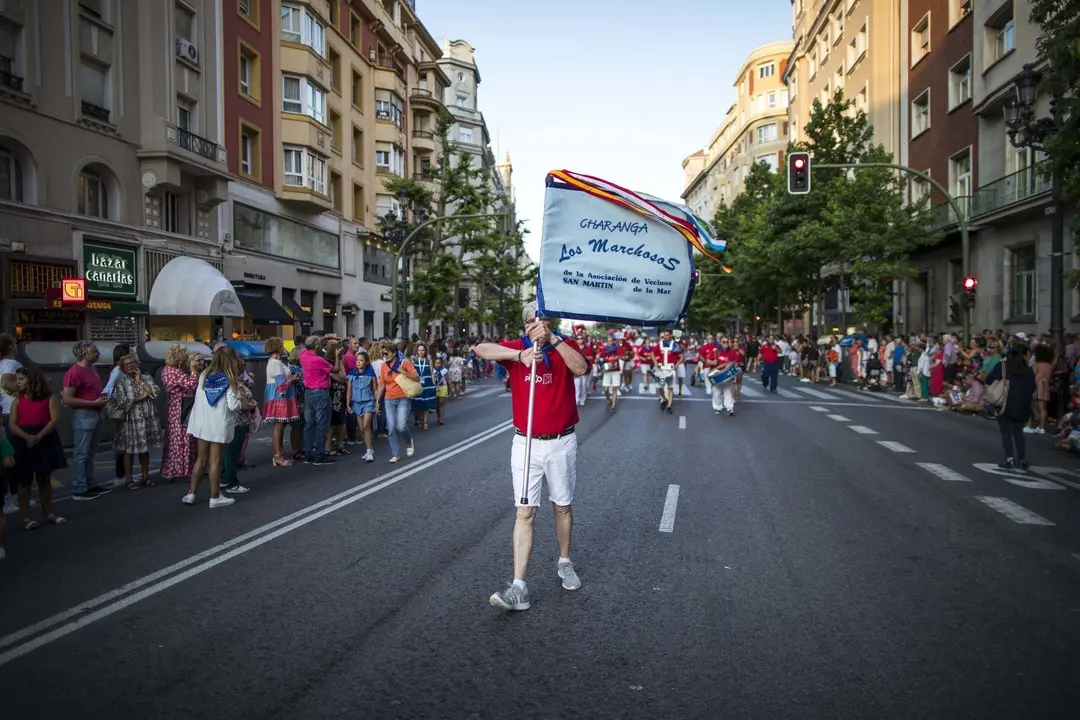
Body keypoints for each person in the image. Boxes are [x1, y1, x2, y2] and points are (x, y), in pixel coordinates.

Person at [474, 302, 588, 612]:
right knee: (524, 512)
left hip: (562, 440)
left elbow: (581, 368)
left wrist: (554, 340)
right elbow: (481, 349)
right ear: (524, 325)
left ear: (551, 323)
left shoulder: (564, 346)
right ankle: (519, 587)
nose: (536, 326)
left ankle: (564, 561)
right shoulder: (517, 349)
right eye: (531, 321)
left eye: (543, 321)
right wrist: (518, 356)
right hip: (526, 444)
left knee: (562, 505)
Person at [184, 345, 244, 508]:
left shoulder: (204, 375)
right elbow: (233, 406)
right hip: (219, 424)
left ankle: (191, 493)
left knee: (201, 459)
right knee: (215, 461)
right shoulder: (230, 379)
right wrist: (241, 400)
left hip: (202, 423)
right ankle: (215, 497)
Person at [9, 366, 67, 530]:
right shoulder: (17, 401)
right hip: (23, 440)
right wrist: (27, 437)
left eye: (21, 379)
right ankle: (25, 517)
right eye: (17, 379)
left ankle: (48, 512)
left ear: (32, 380)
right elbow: (13, 424)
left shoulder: (49, 398)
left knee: (44, 478)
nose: (17, 382)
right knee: (24, 480)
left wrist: (39, 436)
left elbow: (54, 419)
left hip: (44, 438)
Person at [60, 341, 112, 500]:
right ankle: (80, 488)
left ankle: (90, 483)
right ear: (84, 353)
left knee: (90, 452)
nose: (98, 354)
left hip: (96, 412)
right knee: (82, 453)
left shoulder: (93, 369)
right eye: (94, 351)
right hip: (84, 414)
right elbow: (67, 399)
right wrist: (92, 403)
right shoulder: (74, 372)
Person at [111, 354, 163, 489]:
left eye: (132, 363)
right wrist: (142, 395)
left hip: (146, 419)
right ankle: (128, 479)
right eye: (126, 365)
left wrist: (140, 382)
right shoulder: (120, 382)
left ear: (136, 364)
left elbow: (155, 392)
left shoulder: (146, 377)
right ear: (122, 368)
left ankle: (146, 476)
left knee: (144, 450)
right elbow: (123, 402)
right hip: (130, 420)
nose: (130, 366)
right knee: (129, 450)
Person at [987, 343, 1036, 469]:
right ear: (1024, 355)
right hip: (1022, 403)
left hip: (1005, 402)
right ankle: (1022, 460)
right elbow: (1032, 388)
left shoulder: (1003, 366)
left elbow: (989, 379)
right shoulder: (1028, 370)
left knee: (1006, 432)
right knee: (1018, 432)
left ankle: (1009, 459)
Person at [299, 335, 342, 466]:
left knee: (309, 424)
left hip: (308, 392)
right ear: (317, 347)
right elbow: (335, 370)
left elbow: (309, 343)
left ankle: (308, 454)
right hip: (321, 392)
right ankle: (319, 455)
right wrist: (337, 357)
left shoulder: (303, 355)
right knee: (321, 425)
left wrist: (325, 337)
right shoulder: (318, 360)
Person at [161, 345, 199, 483]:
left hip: (174, 407)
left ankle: (177, 468)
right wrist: (194, 372)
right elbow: (191, 385)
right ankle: (181, 469)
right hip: (179, 408)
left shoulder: (168, 370)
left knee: (176, 439)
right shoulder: (174, 372)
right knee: (182, 439)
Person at [377, 343, 420, 463]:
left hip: (403, 397)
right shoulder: (384, 366)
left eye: (386, 353)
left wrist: (404, 372)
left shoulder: (404, 362)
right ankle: (395, 454)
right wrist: (377, 400)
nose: (384, 356)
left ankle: (408, 442)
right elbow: (382, 384)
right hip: (389, 399)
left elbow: (416, 377)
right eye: (383, 354)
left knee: (401, 426)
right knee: (391, 428)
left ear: (394, 353)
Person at [263, 337, 300, 466]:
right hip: (279, 397)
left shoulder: (276, 362)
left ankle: (280, 454)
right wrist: (293, 380)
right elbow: (280, 385)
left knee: (281, 426)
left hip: (280, 396)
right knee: (279, 426)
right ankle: (277, 455)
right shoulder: (275, 363)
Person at [346, 350, 378, 462]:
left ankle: (369, 451)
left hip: (369, 401)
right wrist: (347, 403)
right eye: (357, 360)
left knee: (366, 426)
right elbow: (349, 390)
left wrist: (377, 403)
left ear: (366, 362)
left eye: (361, 361)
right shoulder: (352, 374)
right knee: (361, 429)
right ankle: (368, 448)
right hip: (356, 402)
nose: (358, 363)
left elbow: (375, 389)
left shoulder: (371, 374)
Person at [652, 329, 682, 414]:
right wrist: (655, 362)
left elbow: (681, 356)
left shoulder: (674, 345)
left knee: (670, 388)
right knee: (659, 387)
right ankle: (664, 399)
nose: (666, 337)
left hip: (670, 369)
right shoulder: (660, 344)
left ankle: (669, 406)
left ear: (671, 335)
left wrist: (677, 364)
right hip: (661, 368)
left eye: (667, 335)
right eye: (664, 335)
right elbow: (652, 353)